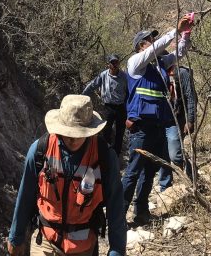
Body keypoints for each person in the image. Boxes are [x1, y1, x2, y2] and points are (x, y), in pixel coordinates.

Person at [7, 95, 127, 256]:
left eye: (78, 134)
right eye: (68, 133)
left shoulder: (104, 156)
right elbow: (25, 197)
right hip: (45, 241)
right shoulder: (40, 151)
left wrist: (117, 250)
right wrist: (16, 237)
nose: (72, 139)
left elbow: (116, 206)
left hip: (83, 247)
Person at [122, 15, 194, 226]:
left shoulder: (160, 65)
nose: (153, 43)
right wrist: (175, 30)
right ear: (140, 47)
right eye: (148, 40)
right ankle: (118, 217)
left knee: (149, 171)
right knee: (133, 172)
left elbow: (180, 52)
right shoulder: (135, 64)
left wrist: (186, 34)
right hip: (141, 128)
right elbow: (156, 49)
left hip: (158, 127)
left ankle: (141, 212)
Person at [157, 64, 197, 192]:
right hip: (158, 119)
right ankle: (165, 185)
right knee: (162, 152)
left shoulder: (181, 73)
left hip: (175, 119)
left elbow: (191, 96)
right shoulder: (153, 72)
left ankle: (193, 177)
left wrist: (190, 119)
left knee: (175, 154)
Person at [82, 54, 128, 155]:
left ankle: (116, 154)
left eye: (116, 62)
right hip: (108, 107)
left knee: (120, 132)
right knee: (106, 130)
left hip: (121, 107)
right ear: (108, 64)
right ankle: (105, 152)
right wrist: (82, 95)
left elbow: (129, 92)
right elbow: (92, 85)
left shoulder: (124, 77)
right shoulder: (103, 75)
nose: (115, 64)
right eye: (112, 62)